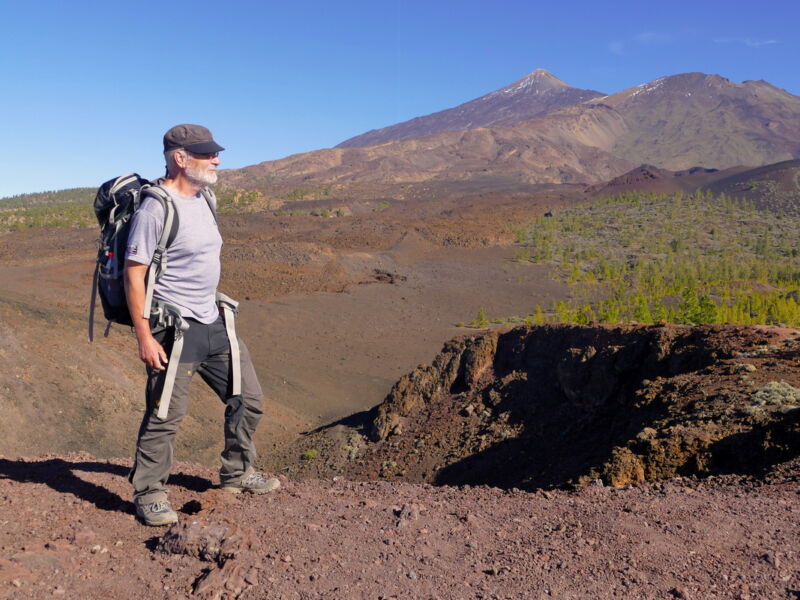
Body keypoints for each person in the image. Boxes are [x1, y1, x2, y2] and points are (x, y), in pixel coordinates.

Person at [124, 124, 279, 526]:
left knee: (249, 399)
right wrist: (143, 335)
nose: (217, 160)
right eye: (207, 154)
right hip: (174, 331)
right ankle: (150, 492)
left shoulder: (205, 198)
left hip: (214, 320)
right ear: (180, 158)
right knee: (165, 416)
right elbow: (134, 273)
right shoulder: (154, 208)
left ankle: (237, 472)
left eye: (214, 153)